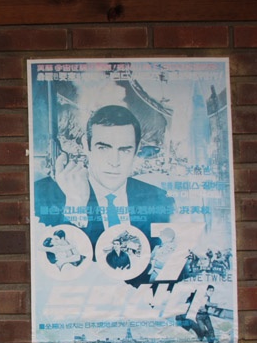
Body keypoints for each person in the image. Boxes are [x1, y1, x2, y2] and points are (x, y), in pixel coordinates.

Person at [34, 104, 175, 269]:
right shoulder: (43, 195)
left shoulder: (159, 199)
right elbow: (52, 269)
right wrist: (75, 206)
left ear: (136, 151)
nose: (114, 162)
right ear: (86, 145)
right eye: (103, 148)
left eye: (125, 150)